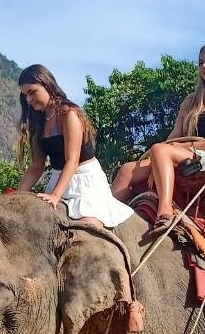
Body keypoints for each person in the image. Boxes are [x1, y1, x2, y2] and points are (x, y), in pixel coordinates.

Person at [111, 43, 205, 237]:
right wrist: (155, 162)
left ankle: (165, 211)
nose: (204, 66)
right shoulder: (192, 101)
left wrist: (176, 148)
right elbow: (174, 137)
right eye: (200, 62)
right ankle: (106, 220)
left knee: (160, 150)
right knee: (127, 169)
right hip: (188, 155)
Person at [15, 64, 135, 228]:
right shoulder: (38, 123)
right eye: (25, 95)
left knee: (88, 227)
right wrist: (15, 197)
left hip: (85, 182)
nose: (28, 99)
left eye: (32, 92)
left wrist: (55, 196)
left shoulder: (68, 114)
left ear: (47, 85)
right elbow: (36, 166)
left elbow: (72, 160)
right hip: (59, 179)